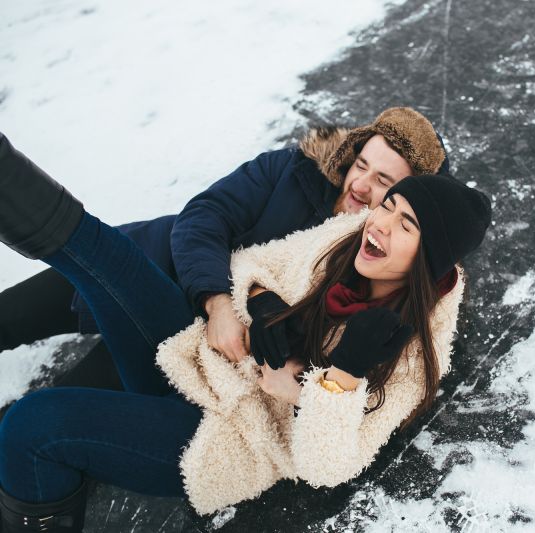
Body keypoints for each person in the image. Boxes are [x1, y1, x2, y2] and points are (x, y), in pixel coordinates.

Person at [0, 134, 491, 530]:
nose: (377, 222)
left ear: (427, 259)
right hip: (208, 358)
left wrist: (336, 378)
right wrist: (260, 300)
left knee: (33, 423)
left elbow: (328, 466)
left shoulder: (413, 354)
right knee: (109, 254)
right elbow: (253, 259)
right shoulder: (345, 236)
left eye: (404, 223)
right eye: (389, 205)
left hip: (227, 436)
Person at [0, 107, 450, 390]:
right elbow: (203, 217)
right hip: (149, 259)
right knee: (10, 314)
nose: (360, 185)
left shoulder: (374, 260)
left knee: (53, 404)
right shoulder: (292, 171)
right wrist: (219, 302)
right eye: (361, 165)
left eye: (384, 181)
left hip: (172, 335)